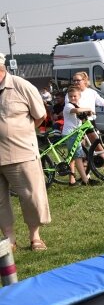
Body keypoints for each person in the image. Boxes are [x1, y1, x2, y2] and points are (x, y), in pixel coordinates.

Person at [0, 54, 51, 252]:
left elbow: (40, 116)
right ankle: (9, 239)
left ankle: (35, 236)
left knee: (31, 196)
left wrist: (19, 132)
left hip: (20, 152)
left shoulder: (22, 85)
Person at [70, 71, 104, 177]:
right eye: (74, 80)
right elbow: (71, 107)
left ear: (85, 81)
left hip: (89, 122)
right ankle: (84, 175)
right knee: (80, 150)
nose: (76, 82)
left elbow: (103, 103)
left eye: (78, 80)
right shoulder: (72, 93)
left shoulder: (91, 92)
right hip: (77, 123)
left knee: (98, 147)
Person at [62, 86, 100, 186]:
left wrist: (88, 112)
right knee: (78, 156)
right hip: (70, 133)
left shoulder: (77, 105)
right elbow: (76, 111)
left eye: (75, 96)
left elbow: (81, 113)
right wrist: (89, 108)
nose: (73, 98)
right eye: (70, 96)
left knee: (74, 156)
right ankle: (85, 180)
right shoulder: (68, 106)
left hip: (75, 133)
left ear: (79, 96)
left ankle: (73, 180)